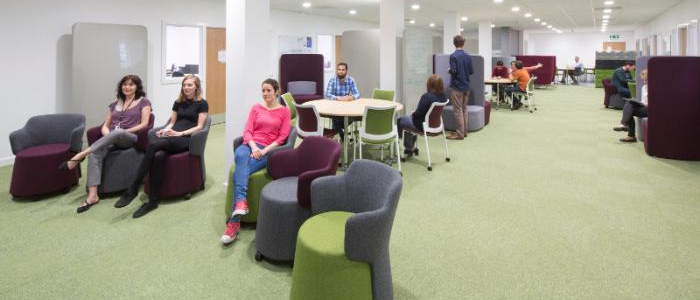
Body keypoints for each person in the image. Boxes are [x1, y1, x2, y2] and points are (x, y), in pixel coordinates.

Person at [113, 75, 209, 218]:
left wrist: (179, 133)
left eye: (190, 85)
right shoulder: (178, 102)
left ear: (196, 87)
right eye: (184, 85)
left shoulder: (202, 103)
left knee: (152, 146)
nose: (186, 88)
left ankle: (132, 188)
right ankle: (153, 201)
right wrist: (166, 129)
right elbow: (172, 121)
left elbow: (200, 127)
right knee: (158, 156)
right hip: (171, 135)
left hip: (186, 138)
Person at [59, 75, 152, 214]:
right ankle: (92, 196)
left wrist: (120, 132)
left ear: (137, 87)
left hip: (131, 138)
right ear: (121, 87)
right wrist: (109, 134)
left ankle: (81, 154)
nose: (128, 87)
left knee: (118, 132)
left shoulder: (144, 102)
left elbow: (144, 124)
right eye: (125, 84)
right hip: (113, 138)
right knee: (95, 154)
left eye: (131, 85)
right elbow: (105, 125)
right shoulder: (115, 104)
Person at [221, 79, 291, 244]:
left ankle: (233, 224)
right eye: (263, 91)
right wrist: (253, 148)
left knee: (239, 173)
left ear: (276, 91)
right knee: (240, 156)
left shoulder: (284, 111)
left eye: (268, 90)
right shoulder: (256, 108)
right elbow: (247, 131)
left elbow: (282, 137)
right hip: (250, 146)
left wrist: (264, 151)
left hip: (268, 151)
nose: (265, 94)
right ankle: (240, 203)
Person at [397, 74, 448, 155]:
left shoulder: (427, 97)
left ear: (429, 85)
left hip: (422, 125)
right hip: (437, 126)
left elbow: (418, 114)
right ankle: (410, 146)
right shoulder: (443, 97)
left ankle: (410, 147)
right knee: (407, 121)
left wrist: (413, 114)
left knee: (400, 121)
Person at [447, 35, 473, 140]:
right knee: (464, 109)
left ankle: (459, 134)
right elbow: (471, 71)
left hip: (457, 86)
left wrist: (449, 70)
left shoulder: (453, 56)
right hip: (467, 85)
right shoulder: (468, 56)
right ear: (464, 43)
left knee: (457, 110)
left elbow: (453, 71)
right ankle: (464, 132)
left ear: (454, 43)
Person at [325, 62, 360, 140]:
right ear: (337, 70)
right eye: (339, 69)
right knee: (336, 119)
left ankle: (338, 130)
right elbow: (327, 94)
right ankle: (344, 137)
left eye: (343, 70)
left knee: (339, 121)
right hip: (335, 107)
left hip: (347, 107)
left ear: (346, 71)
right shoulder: (332, 80)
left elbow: (357, 93)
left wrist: (352, 97)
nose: (340, 71)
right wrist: (338, 98)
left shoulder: (351, 80)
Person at [614, 69, 648, 143]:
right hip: (644, 107)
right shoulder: (644, 88)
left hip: (651, 109)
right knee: (629, 104)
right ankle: (630, 134)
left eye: (646, 81)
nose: (644, 82)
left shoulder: (655, 88)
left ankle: (625, 126)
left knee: (629, 109)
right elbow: (644, 101)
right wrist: (639, 102)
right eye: (643, 81)